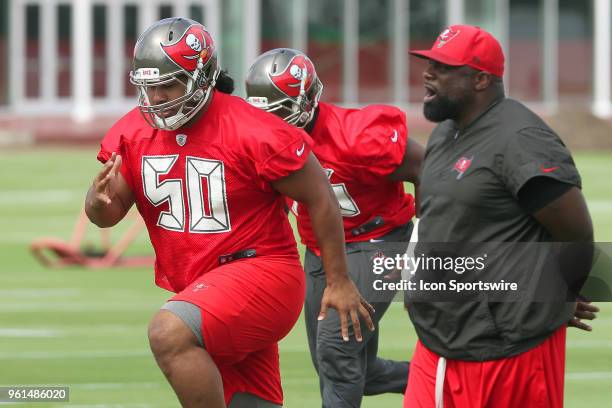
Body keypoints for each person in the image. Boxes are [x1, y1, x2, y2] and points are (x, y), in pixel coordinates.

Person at [85, 18, 375, 408]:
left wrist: (338, 279)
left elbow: (320, 194)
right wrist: (96, 203)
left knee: (169, 333)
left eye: (167, 84)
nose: (155, 98)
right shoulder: (134, 131)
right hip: (205, 285)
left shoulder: (252, 127)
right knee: (247, 402)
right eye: (148, 86)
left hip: (263, 272)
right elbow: (108, 213)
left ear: (202, 76)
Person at [403, 25, 599, 408]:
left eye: (443, 67)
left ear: (480, 79)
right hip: (438, 340)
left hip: (507, 349)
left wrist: (555, 296)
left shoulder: (522, 139)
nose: (428, 73)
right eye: (429, 64)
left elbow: (577, 233)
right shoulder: (445, 133)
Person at [245, 48, 425, 407]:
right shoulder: (258, 142)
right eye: (264, 114)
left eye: (281, 111)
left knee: (336, 347)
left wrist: (426, 240)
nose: (273, 124)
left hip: (378, 239)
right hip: (321, 250)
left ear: (308, 100)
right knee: (352, 368)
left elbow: (426, 167)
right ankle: (440, 383)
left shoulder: (355, 136)